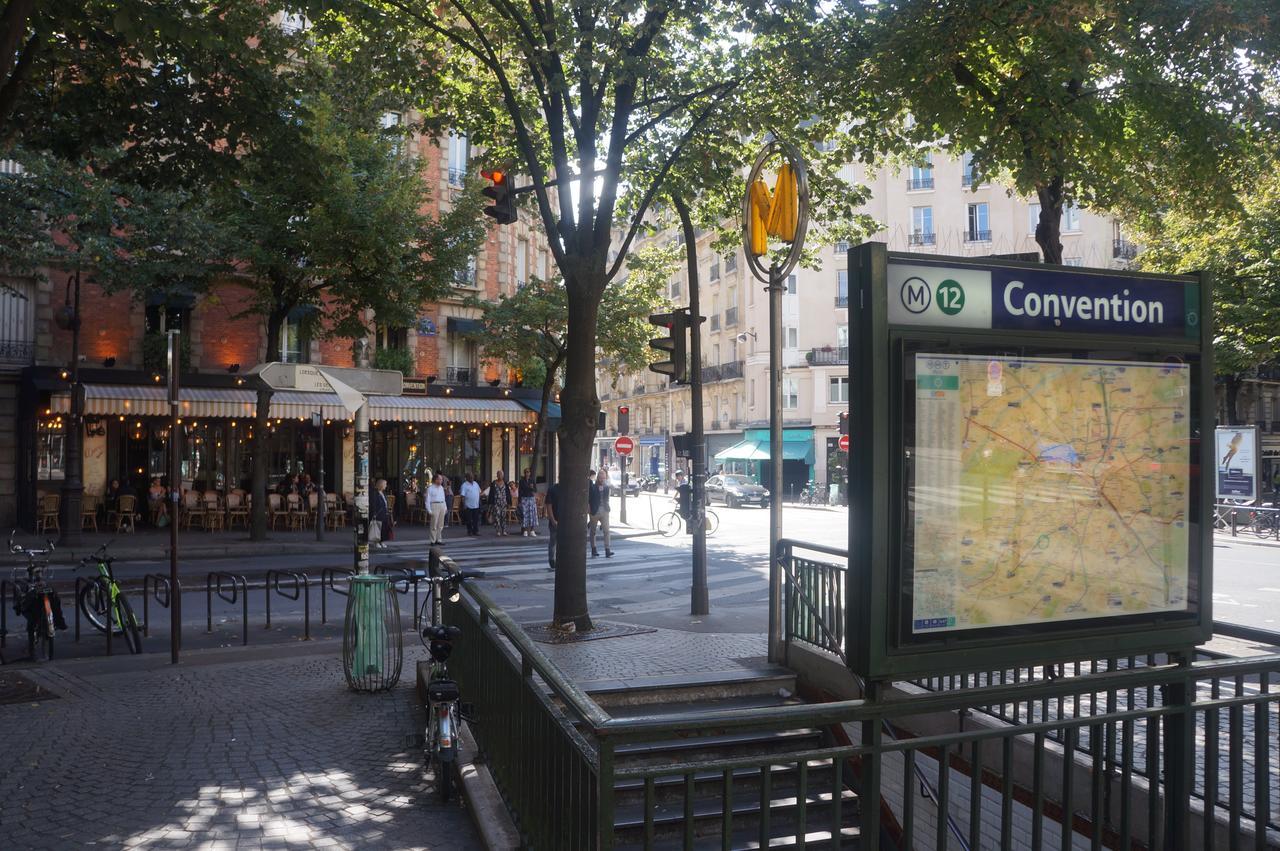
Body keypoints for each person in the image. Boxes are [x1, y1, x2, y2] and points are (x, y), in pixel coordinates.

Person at [588, 468, 613, 557]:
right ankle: (593, 549)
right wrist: (589, 509)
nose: (602, 479)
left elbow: (607, 499)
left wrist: (608, 508)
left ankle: (607, 550)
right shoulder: (593, 487)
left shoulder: (606, 487)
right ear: (598, 477)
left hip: (605, 511)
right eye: (601, 478)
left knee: (606, 531)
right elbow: (589, 499)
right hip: (594, 511)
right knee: (593, 531)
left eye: (604, 478)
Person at [426, 473, 448, 545]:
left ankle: (439, 539)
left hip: (441, 505)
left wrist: (445, 507)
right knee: (434, 524)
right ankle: (433, 540)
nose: (441, 481)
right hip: (434, 505)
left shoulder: (441, 488)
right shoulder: (430, 488)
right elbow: (427, 500)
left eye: (441, 479)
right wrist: (429, 510)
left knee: (440, 524)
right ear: (435, 480)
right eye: (440, 479)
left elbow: (443, 498)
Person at [544, 479, 561, 571]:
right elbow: (548, 505)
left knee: (556, 541)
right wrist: (553, 520)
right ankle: (552, 559)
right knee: (553, 540)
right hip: (555, 519)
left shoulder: (568, 489)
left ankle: (555, 560)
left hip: (563, 520)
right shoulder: (552, 489)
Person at [370, 479, 390, 549]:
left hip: (384, 513)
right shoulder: (374, 493)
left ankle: (382, 541)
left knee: (383, 528)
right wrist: (374, 513)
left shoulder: (383, 493)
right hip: (378, 513)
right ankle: (376, 542)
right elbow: (373, 504)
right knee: (377, 528)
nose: (386, 486)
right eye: (385, 484)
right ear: (381, 485)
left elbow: (385, 502)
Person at [518, 468, 538, 537]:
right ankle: (525, 530)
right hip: (524, 498)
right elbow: (520, 491)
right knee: (525, 514)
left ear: (530, 473)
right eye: (526, 472)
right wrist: (519, 500)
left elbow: (535, 490)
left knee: (532, 514)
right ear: (524, 473)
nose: (527, 473)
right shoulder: (521, 481)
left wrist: (531, 488)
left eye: (528, 472)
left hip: (531, 498)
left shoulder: (532, 480)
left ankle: (532, 530)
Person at [460, 472, 482, 536]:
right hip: (468, 505)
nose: (472, 478)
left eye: (472, 477)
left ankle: (476, 531)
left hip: (476, 505)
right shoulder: (464, 485)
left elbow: (479, 492)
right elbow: (462, 496)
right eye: (470, 477)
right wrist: (464, 505)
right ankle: (469, 531)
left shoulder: (476, 484)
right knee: (469, 520)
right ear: (466, 478)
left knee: (476, 519)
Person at [488, 470, 510, 536]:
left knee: (503, 517)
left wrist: (509, 502)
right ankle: (498, 531)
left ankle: (504, 530)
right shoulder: (494, 483)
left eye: (501, 474)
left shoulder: (505, 483)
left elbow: (508, 493)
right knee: (497, 516)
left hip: (504, 503)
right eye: (499, 474)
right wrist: (490, 503)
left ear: (503, 476)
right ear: (497, 475)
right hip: (496, 503)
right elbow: (491, 493)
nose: (500, 475)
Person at [674, 469, 693, 534]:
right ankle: (689, 523)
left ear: (681, 476)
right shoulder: (680, 481)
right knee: (683, 513)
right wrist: (673, 497)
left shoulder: (685, 481)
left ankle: (691, 524)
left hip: (689, 498)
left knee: (686, 512)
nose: (677, 478)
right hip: (685, 498)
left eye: (678, 476)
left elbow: (684, 490)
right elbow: (679, 490)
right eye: (677, 477)